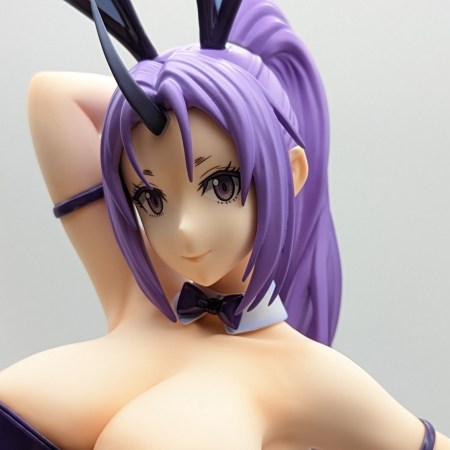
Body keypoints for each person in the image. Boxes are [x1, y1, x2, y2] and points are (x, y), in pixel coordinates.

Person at [0, 0, 448, 448]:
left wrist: (235, 103)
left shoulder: (307, 377)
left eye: (220, 185)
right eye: (151, 198)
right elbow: (51, 97)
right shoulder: (138, 295)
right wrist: (167, 87)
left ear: (289, 173)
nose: (184, 228)